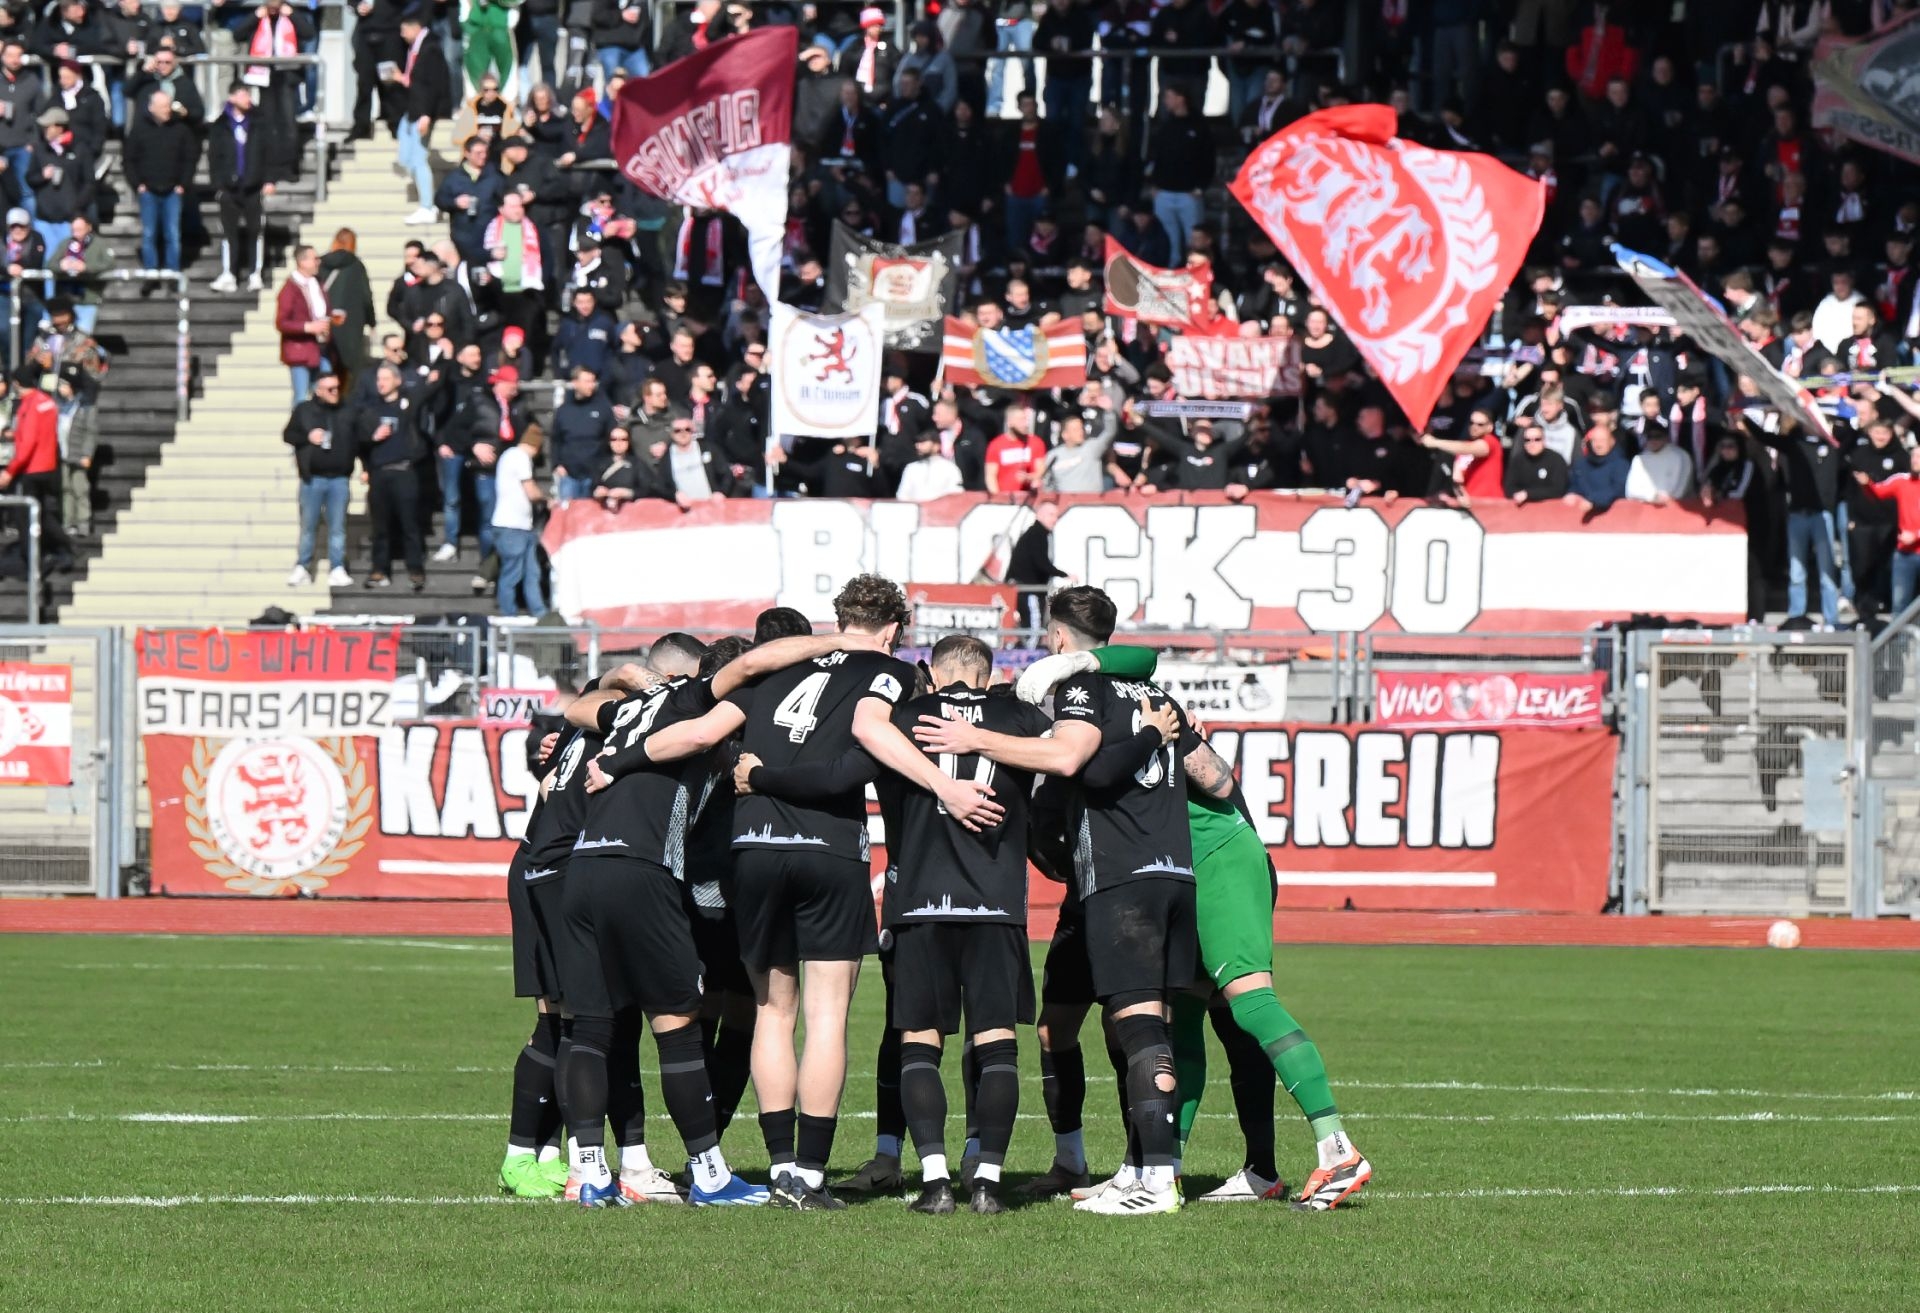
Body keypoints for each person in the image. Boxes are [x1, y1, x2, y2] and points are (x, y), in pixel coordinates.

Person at [636, 574, 1000, 1210]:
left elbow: (699, 734)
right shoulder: (889, 672)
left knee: (772, 1012)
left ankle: (779, 1167)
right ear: (893, 629)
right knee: (827, 1015)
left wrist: (617, 759)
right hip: (828, 849)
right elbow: (865, 743)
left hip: (753, 848)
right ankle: (808, 1175)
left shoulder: (778, 666)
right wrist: (945, 786)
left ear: (839, 619)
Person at [1014, 641, 1372, 1210]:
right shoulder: (1115, 720)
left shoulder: (1109, 713)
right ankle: (1163, 1170)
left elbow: (1147, 667)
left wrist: (1082, 667)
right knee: (1182, 1023)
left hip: (1215, 859)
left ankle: (1338, 1150)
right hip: (1181, 874)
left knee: (1250, 1003)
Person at [911, 585, 1208, 1217]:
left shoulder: (1080, 689)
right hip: (1147, 878)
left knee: (1137, 1022)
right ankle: (1089, 1162)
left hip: (1120, 878)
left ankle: (1156, 1176)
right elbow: (1217, 776)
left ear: (1059, 637)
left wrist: (975, 740)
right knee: (1062, 1026)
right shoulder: (1155, 694)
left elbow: (1077, 763)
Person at [877, 634, 1051, 1216]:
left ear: (934, 672)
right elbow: (1070, 754)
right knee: (997, 1043)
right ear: (988, 674)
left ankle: (934, 1183)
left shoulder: (903, 716)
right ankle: (988, 1184)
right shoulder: (1019, 719)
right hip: (995, 904)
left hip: (921, 900)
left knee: (919, 1044)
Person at [352, 362, 425, 590]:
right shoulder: (371, 410)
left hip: (404, 471)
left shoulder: (408, 406)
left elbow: (427, 393)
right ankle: (379, 569)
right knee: (380, 527)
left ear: (397, 380)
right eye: (378, 379)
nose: (380, 383)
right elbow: (359, 441)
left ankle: (415, 569)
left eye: (385, 378)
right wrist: (373, 438)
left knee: (409, 524)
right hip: (380, 473)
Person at [282, 370, 353, 587]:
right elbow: (288, 434)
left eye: (337, 388)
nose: (335, 392)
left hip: (339, 478)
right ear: (319, 390)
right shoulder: (304, 410)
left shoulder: (347, 410)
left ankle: (337, 567)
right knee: (308, 526)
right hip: (312, 479)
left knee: (337, 527)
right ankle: (302, 566)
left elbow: (359, 438)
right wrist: (307, 437)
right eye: (330, 389)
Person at [206, 83, 277, 294]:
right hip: (229, 187)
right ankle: (230, 273)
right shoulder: (220, 125)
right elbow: (214, 157)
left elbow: (269, 153)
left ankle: (255, 274)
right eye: (243, 94)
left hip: (253, 186)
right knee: (229, 233)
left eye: (248, 94)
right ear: (232, 97)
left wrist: (269, 180)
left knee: (255, 231)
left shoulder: (259, 123)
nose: (247, 98)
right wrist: (218, 185)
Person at [392, 11, 453, 224]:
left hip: (423, 111)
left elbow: (433, 85)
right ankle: (427, 205)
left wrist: (427, 114)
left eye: (404, 30)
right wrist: (401, 78)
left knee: (418, 158)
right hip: (413, 110)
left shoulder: (431, 49)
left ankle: (427, 206)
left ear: (415, 27)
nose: (402, 34)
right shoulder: (417, 49)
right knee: (406, 155)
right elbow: (417, 82)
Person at [1856, 445, 1920, 615]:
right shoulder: (1902, 481)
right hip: (1905, 552)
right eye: (1913, 456)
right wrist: (1867, 484)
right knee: (1900, 603)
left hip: (1915, 544)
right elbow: (1878, 492)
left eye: (1919, 457)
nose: (1915, 460)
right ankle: (1898, 633)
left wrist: (1916, 535)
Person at [493, 420, 546, 618]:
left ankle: (538, 611)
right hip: (512, 526)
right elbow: (531, 491)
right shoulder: (520, 457)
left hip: (522, 526)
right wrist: (547, 500)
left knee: (532, 572)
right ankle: (509, 615)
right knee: (513, 573)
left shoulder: (508, 455)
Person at [276, 244, 332, 403]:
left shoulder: (317, 284)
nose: (318, 262)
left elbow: (324, 310)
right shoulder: (290, 289)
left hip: (320, 348)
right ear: (302, 262)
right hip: (300, 351)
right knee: (301, 397)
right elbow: (282, 322)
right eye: (315, 259)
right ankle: (299, 420)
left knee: (325, 392)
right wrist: (308, 327)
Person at [319, 230, 375, 383]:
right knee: (351, 370)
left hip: (326, 322)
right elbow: (366, 297)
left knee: (327, 365)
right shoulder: (356, 265)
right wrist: (371, 321)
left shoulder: (320, 264)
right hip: (351, 324)